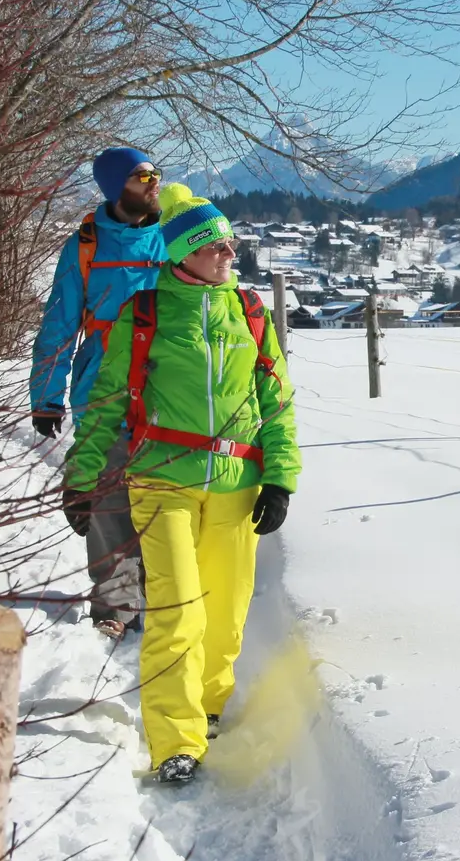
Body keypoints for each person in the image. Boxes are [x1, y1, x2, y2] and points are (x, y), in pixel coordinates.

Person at [62, 184, 301, 784]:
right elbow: (108, 402)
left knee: (224, 614)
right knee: (176, 612)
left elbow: (276, 401)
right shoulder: (143, 313)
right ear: (181, 254)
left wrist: (280, 478)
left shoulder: (249, 312)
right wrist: (83, 477)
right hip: (159, 480)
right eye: (214, 245)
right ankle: (175, 739)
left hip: (236, 485)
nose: (228, 252)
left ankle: (210, 705)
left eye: (230, 242)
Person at [30, 148, 166, 637]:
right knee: (109, 495)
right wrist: (46, 395)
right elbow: (60, 323)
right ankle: (115, 606)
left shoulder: (172, 235)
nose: (155, 183)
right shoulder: (86, 245)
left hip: (166, 385)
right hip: (102, 384)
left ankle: (163, 595)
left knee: (162, 492)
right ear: (116, 187)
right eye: (143, 176)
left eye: (156, 173)